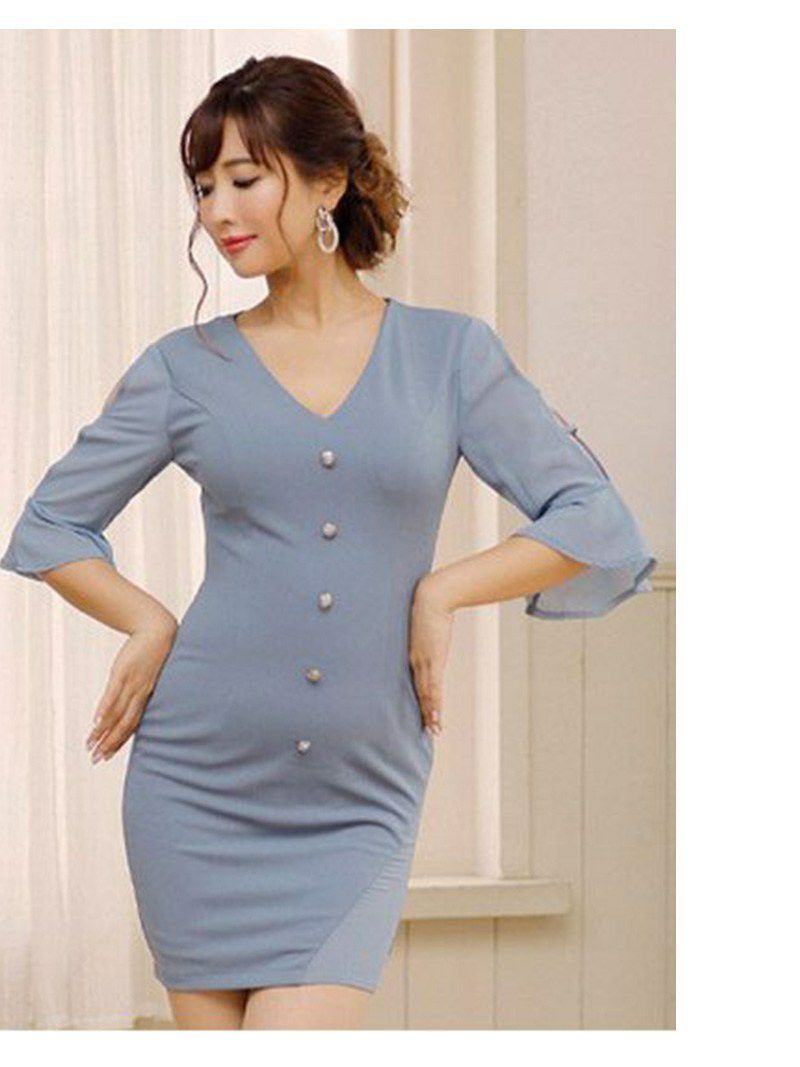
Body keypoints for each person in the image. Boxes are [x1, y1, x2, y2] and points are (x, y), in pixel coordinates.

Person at [0, 54, 656, 1030]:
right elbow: (49, 523)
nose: (218, 210)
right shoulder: (184, 368)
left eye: (243, 178)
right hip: (195, 783)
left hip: (359, 793)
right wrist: (146, 620)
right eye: (203, 186)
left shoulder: (449, 354)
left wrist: (440, 590)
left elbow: (594, 519)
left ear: (329, 182)